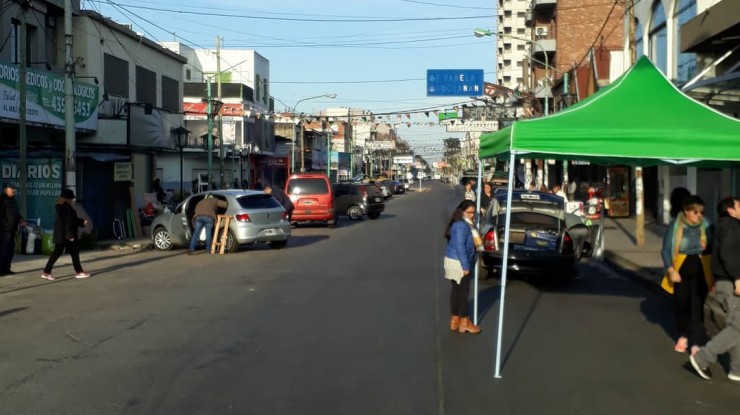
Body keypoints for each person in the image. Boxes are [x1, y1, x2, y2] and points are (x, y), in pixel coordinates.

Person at [689, 196, 740, 380]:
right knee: (737, 327)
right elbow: (728, 253)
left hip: (726, 282)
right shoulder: (730, 226)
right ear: (731, 210)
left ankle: (737, 370)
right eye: (739, 205)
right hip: (729, 282)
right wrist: (738, 277)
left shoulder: (729, 226)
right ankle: (702, 357)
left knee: (736, 326)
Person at [661, 195, 713, 354]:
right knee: (682, 304)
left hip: (701, 268)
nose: (699, 215)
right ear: (686, 211)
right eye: (695, 212)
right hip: (680, 269)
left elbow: (713, 247)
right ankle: (684, 335)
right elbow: (665, 250)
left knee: (697, 306)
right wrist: (671, 270)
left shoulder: (706, 225)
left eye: (701, 212)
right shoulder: (675, 226)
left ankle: (697, 341)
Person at [444, 200, 482, 334]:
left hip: (453, 260)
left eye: (473, 212)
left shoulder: (462, 224)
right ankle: (465, 322)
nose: (472, 215)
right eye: (469, 212)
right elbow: (460, 247)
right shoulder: (462, 226)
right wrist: (466, 266)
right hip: (459, 262)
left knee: (456, 290)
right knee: (463, 293)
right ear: (462, 211)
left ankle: (454, 320)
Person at [41, 189, 90, 280]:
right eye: (71, 198)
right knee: (65, 253)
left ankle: (47, 272)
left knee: (70, 253)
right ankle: (47, 272)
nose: (72, 200)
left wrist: (81, 222)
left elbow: (70, 220)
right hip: (65, 235)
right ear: (68, 198)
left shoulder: (61, 206)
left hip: (62, 235)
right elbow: (68, 222)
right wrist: (70, 235)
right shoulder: (65, 207)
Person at [0, 183, 26, 276]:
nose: (14, 190)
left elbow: (16, 212)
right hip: (4, 230)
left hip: (12, 229)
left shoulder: (13, 199)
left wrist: (21, 219)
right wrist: (6, 224)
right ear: (5, 189)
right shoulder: (2, 200)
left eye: (14, 189)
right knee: (3, 250)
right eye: (12, 188)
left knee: (10, 250)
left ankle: (7, 268)